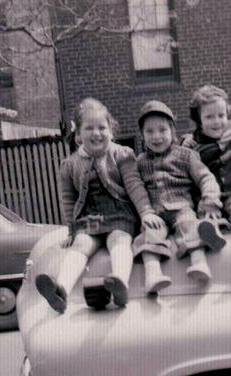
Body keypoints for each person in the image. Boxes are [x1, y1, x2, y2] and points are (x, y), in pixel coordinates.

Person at [35, 98, 164, 312]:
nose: (97, 133)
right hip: (89, 219)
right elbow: (68, 199)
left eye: (102, 128)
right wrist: (71, 230)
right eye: (89, 128)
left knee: (119, 240)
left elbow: (135, 186)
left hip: (120, 215)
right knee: (80, 245)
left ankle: (120, 281)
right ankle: (61, 289)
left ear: (111, 132)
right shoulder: (69, 165)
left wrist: (146, 213)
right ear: (78, 135)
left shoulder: (121, 155)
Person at [133, 100, 225, 285]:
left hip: (182, 208)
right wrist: (146, 213)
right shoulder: (140, 162)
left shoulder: (186, 155)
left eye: (162, 130)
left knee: (189, 226)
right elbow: (135, 189)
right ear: (142, 135)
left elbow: (205, 178)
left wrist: (210, 199)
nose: (156, 136)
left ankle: (199, 263)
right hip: (155, 214)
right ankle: (153, 275)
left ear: (172, 131)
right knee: (149, 235)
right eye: (149, 131)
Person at [181, 84, 231, 234]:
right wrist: (185, 141)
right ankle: (212, 232)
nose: (216, 121)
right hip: (207, 197)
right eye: (209, 117)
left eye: (221, 115)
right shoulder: (193, 144)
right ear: (199, 119)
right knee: (207, 214)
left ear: (227, 114)